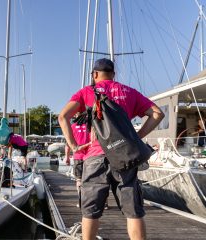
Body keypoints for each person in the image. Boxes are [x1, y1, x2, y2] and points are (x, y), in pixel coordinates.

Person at [58, 58, 164, 240]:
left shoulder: (86, 92)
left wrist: (74, 146)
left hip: (95, 156)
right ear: (113, 74)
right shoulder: (129, 92)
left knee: (90, 212)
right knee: (133, 212)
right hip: (124, 156)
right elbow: (158, 113)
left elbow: (63, 117)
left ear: (95, 74)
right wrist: (136, 138)